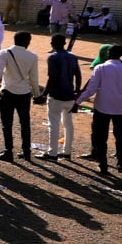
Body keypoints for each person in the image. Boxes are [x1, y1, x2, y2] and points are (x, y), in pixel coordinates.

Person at [75, 45, 122, 175]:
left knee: (101, 138)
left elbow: (91, 89)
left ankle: (103, 165)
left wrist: (78, 102)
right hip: (121, 109)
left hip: (102, 108)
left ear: (108, 53)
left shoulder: (100, 68)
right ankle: (121, 164)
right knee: (120, 137)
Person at [0, 31, 39, 162]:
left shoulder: (4, 53)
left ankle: (8, 151)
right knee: (25, 123)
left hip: (7, 91)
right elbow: (34, 79)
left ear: (14, 40)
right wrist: (37, 94)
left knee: (6, 124)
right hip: (24, 93)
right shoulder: (32, 56)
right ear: (28, 42)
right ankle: (26, 151)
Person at [39, 33, 81, 161]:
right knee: (68, 124)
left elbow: (52, 77)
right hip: (69, 95)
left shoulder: (53, 57)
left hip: (56, 95)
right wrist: (77, 93)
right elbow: (78, 76)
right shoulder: (72, 57)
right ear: (64, 43)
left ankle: (52, 153)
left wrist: (44, 94)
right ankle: (67, 152)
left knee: (54, 124)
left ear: (52, 43)